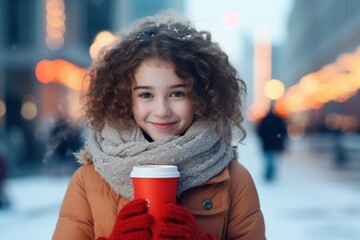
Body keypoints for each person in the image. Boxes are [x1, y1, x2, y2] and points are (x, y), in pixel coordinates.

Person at [53, 11, 265, 240]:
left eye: (176, 93)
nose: (162, 110)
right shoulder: (88, 181)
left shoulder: (233, 181)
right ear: (125, 100)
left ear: (201, 97)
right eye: (145, 95)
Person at [256, 106, 287, 181]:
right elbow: (283, 132)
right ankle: (271, 174)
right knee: (272, 159)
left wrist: (264, 139)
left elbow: (260, 132)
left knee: (268, 160)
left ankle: (268, 174)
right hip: (275, 144)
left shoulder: (264, 120)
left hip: (267, 144)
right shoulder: (278, 120)